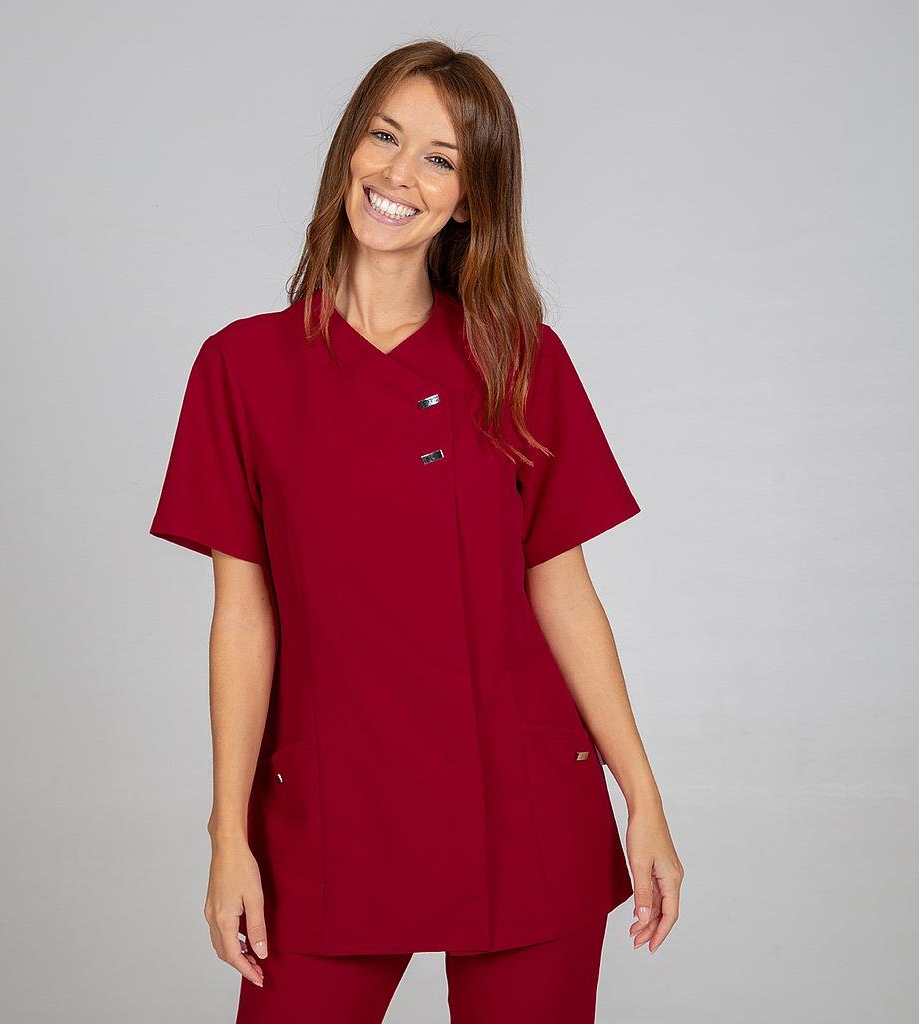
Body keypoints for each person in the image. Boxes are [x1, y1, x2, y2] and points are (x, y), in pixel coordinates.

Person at [149, 39, 683, 1024]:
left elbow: (561, 588)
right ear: (348, 149)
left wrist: (641, 793)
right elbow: (243, 619)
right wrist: (228, 833)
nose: (400, 174)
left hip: (521, 804)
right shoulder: (242, 368)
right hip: (332, 809)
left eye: (441, 158)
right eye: (384, 137)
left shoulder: (519, 359)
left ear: (471, 199)